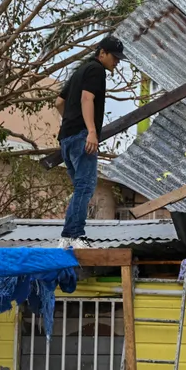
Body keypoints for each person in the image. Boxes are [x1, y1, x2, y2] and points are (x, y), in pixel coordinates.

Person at [55, 36, 125, 249]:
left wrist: (70, 121)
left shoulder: (79, 71)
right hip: (81, 137)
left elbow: (59, 102)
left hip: (66, 137)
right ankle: (74, 235)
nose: (117, 62)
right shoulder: (96, 70)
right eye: (114, 57)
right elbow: (87, 99)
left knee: (80, 188)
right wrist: (91, 132)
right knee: (85, 187)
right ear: (102, 53)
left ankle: (67, 237)